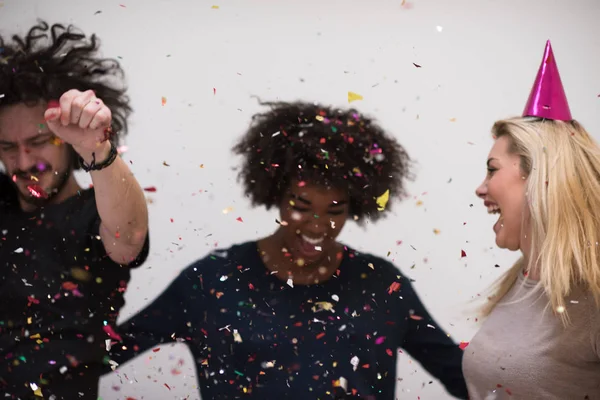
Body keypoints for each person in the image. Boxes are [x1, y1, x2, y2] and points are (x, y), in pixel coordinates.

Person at [109, 100, 468, 399]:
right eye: (300, 205)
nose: (315, 225)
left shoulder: (381, 286)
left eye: (335, 210)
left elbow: (464, 376)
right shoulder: (212, 281)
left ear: (355, 206)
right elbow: (100, 355)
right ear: (276, 194)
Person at [0, 22, 150, 399]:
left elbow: (128, 239)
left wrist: (97, 149)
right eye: (6, 147)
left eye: (38, 142)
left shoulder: (90, 215)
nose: (24, 161)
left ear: (66, 141)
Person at [465, 41, 600, 399]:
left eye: (492, 170)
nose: (481, 188)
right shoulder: (520, 281)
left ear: (540, 179)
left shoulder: (594, 297)